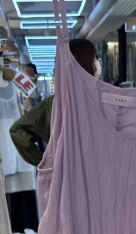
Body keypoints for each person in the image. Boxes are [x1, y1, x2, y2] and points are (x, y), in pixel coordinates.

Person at [10, 38, 101, 166]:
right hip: (96, 171)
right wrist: (44, 163)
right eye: (95, 58)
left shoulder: (54, 103)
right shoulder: (102, 101)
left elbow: (18, 130)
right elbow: (18, 131)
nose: (97, 63)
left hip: (68, 172)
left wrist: (45, 164)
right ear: (83, 61)